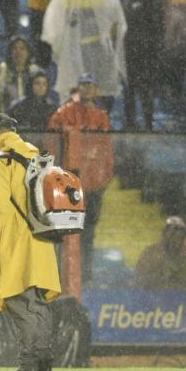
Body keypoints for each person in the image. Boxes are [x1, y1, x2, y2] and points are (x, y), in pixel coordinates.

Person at [0, 113, 61, 371]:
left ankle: (29, 362)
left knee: (16, 299)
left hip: (17, 238)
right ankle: (44, 361)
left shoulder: (3, 159)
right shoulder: (36, 156)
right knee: (37, 302)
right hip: (42, 238)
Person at [47, 77, 115, 281]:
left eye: (91, 86)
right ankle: (58, 276)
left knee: (87, 234)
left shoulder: (101, 117)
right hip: (68, 185)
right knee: (62, 232)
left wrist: (104, 179)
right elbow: (51, 145)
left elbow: (106, 150)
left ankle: (84, 276)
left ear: (96, 90)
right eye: (84, 86)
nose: (87, 90)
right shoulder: (63, 113)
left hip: (92, 185)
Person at [42, 0, 127, 104]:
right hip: (100, 51)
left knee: (73, 97)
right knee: (100, 95)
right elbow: (117, 23)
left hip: (72, 51)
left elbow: (52, 23)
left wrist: (58, 47)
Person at [120, 0, 163, 130]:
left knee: (146, 83)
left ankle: (148, 121)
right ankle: (130, 121)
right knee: (129, 83)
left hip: (146, 37)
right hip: (128, 36)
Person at [135, 216, 186, 289]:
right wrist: (160, 276)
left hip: (180, 296)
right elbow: (140, 276)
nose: (177, 235)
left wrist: (178, 277)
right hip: (154, 295)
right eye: (173, 233)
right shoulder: (151, 251)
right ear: (165, 233)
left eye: (180, 234)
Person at [0, 36, 39, 114]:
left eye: (22, 48)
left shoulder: (34, 72)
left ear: (28, 52)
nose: (18, 52)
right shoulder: (1, 71)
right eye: (15, 48)